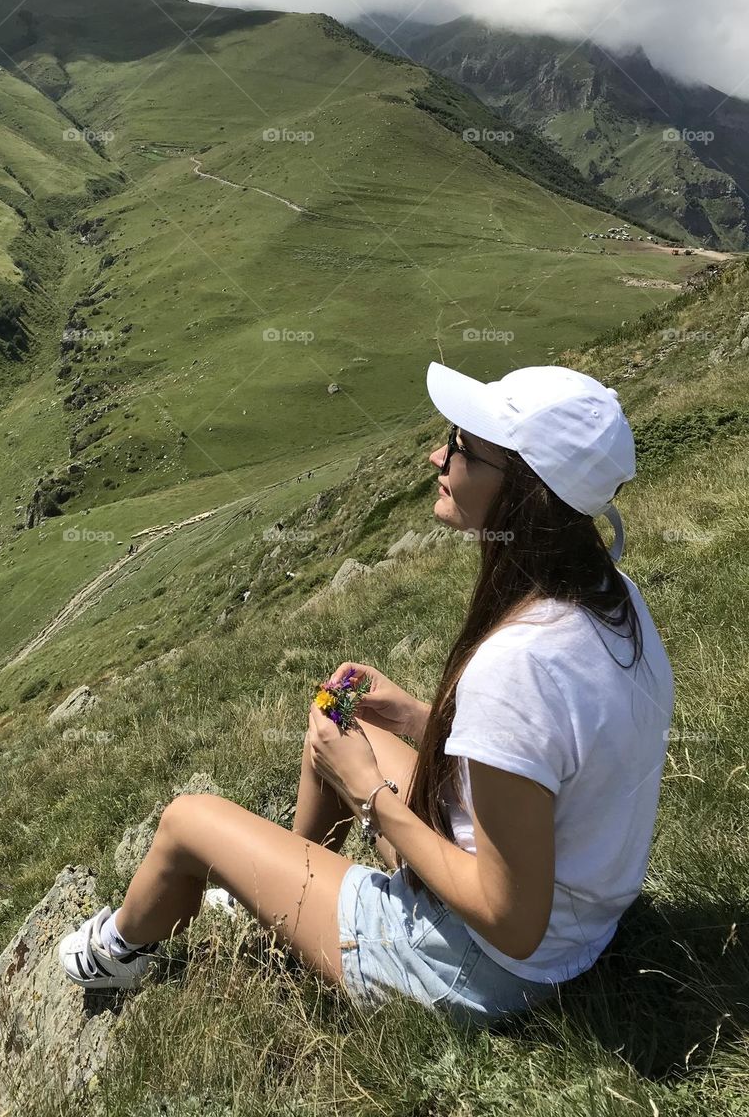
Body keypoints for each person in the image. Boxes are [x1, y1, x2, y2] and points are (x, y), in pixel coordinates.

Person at [58, 362, 675, 1025]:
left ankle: (119, 950)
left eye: (462, 446)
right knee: (335, 720)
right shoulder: (611, 600)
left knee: (186, 821)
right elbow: (546, 754)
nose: (437, 454)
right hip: (575, 928)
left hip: (481, 966)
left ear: (524, 490)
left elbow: (510, 921)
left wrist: (370, 797)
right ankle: (278, 890)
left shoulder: (516, 664)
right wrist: (419, 718)